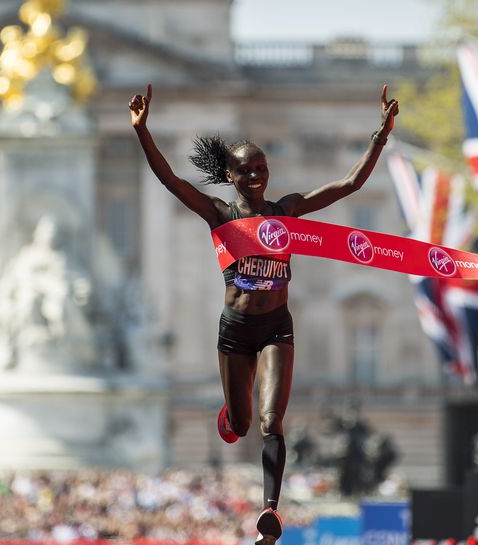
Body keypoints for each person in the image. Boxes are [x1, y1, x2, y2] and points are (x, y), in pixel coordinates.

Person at [129, 83, 398, 545]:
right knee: (241, 424)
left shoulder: (286, 210)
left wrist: (380, 135)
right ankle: (230, 418)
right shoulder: (219, 214)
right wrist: (143, 131)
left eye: (262, 168)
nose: (256, 176)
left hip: (277, 328)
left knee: (272, 422)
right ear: (230, 177)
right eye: (247, 170)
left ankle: (270, 512)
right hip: (235, 332)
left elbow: (348, 185)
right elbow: (171, 180)